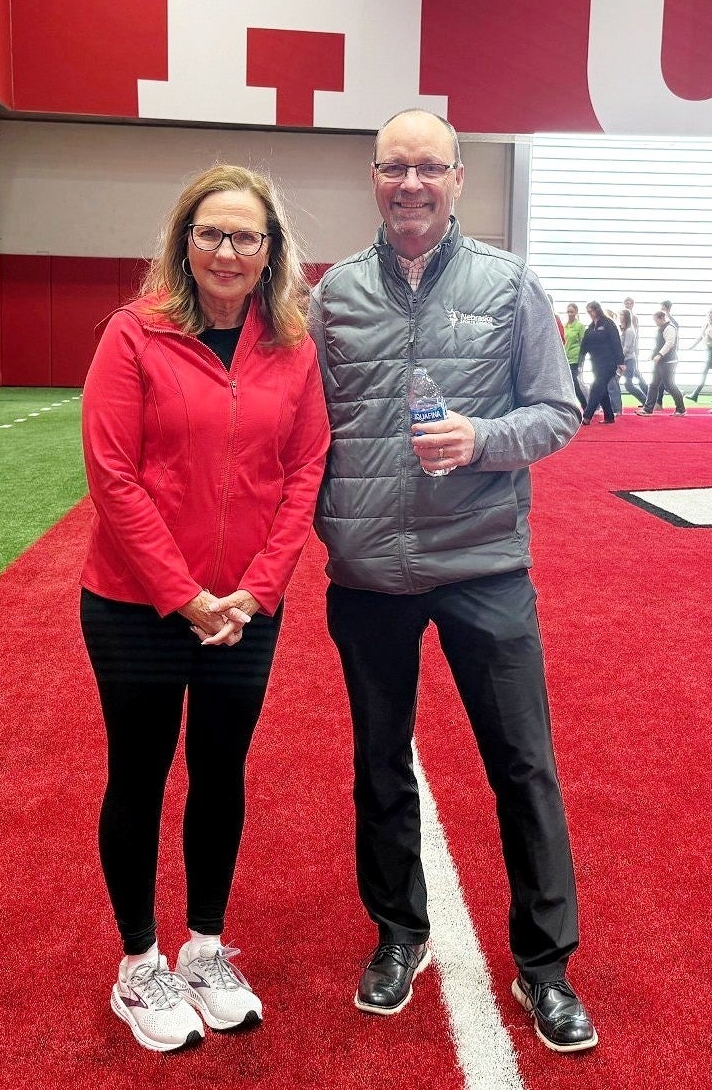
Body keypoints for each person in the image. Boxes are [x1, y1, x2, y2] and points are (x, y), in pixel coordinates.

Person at [308, 109, 596, 1054]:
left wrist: (483, 440)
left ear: (459, 178)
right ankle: (399, 933)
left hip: (482, 566)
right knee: (378, 763)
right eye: (394, 167)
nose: (411, 184)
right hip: (368, 572)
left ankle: (545, 966)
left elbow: (557, 412)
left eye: (429, 167)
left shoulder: (511, 285)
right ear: (374, 178)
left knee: (523, 764)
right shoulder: (335, 294)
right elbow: (303, 432)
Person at [80, 165, 331, 1053]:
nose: (228, 251)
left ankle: (206, 946)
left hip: (245, 609)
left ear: (271, 253)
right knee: (141, 774)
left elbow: (304, 472)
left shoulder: (295, 347)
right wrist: (182, 595)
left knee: (220, 771)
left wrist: (256, 591)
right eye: (211, 233)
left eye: (246, 237)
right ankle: (139, 961)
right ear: (184, 240)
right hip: (135, 605)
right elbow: (111, 474)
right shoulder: (133, 334)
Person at [579, 301, 623, 424]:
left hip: (609, 363)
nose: (590, 314)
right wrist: (580, 360)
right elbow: (585, 344)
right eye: (588, 312)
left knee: (596, 387)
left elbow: (616, 343)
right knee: (602, 389)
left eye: (591, 311)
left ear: (597, 310)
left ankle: (587, 416)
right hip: (596, 363)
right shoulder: (591, 327)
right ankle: (609, 416)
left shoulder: (608, 324)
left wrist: (621, 361)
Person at [639, 308, 686, 415]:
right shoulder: (661, 328)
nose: (655, 323)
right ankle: (648, 409)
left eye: (656, 320)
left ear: (661, 318)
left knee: (670, 385)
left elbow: (669, 343)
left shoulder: (669, 328)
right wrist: (653, 355)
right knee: (653, 384)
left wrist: (659, 355)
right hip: (660, 362)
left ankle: (681, 408)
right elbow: (659, 344)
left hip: (668, 362)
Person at [689, 307, 712, 400]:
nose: (710, 314)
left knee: (706, 372)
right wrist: (692, 346)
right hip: (708, 350)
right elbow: (701, 337)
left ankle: (695, 393)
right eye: (709, 312)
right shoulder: (705, 325)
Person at [621, 297, 649, 399]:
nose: (627, 305)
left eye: (629, 303)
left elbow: (634, 335)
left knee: (636, 374)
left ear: (632, 305)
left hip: (632, 351)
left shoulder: (633, 318)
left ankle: (648, 397)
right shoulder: (624, 317)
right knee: (636, 374)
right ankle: (648, 398)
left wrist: (635, 350)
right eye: (626, 303)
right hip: (628, 351)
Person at [562, 302, 587, 413]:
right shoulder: (565, 325)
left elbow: (583, 344)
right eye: (568, 311)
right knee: (568, 384)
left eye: (572, 311)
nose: (570, 314)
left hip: (575, 358)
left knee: (574, 383)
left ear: (576, 312)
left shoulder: (580, 326)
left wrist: (582, 360)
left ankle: (585, 406)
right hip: (565, 357)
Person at [618, 307, 640, 411]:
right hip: (626, 360)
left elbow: (626, 347)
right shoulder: (624, 330)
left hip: (628, 360)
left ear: (626, 317)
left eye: (622, 315)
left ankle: (647, 402)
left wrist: (618, 359)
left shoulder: (630, 331)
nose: (620, 317)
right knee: (624, 384)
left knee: (628, 385)